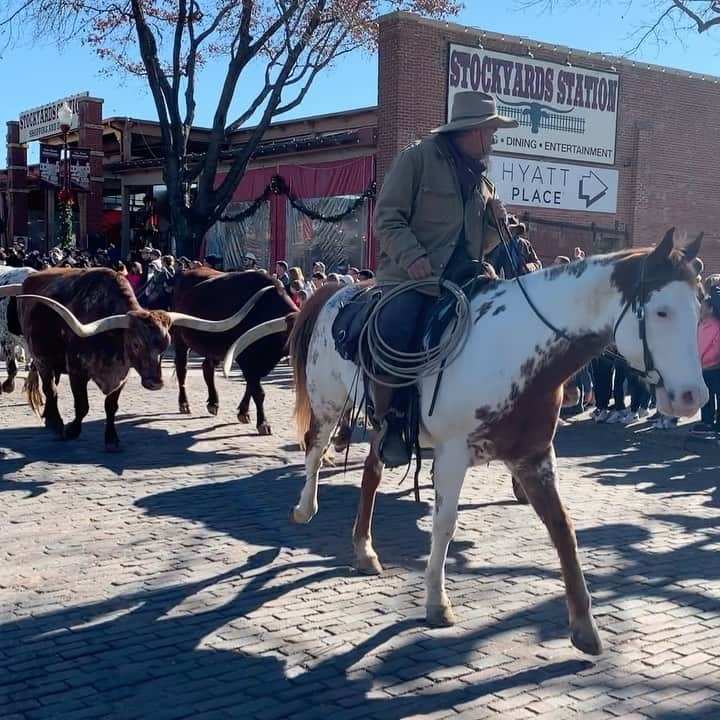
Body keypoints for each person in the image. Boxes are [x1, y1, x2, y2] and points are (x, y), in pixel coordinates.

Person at [371, 90, 516, 466]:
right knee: (397, 331)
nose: (494, 139)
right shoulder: (416, 158)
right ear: (470, 131)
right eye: (490, 130)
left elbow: (480, 247)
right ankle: (390, 421)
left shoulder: (484, 184)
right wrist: (413, 256)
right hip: (410, 278)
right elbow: (387, 218)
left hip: (466, 278)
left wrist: (497, 225)